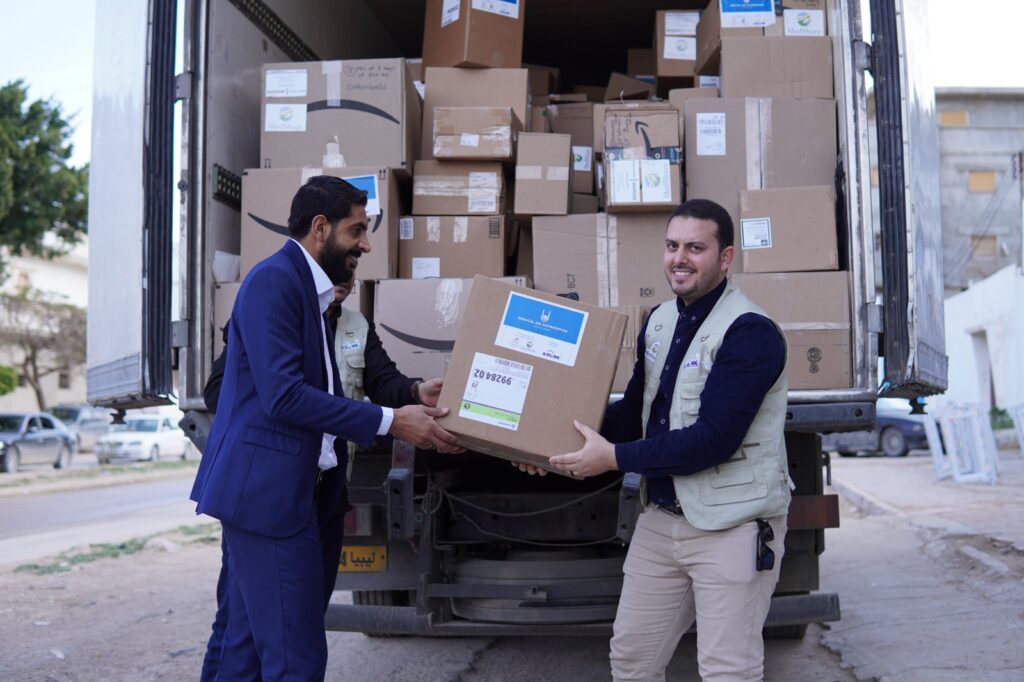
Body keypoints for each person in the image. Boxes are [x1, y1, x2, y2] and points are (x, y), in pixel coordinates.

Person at [190, 175, 461, 681]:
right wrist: (392, 422)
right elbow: (284, 395)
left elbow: (363, 379)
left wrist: (409, 395)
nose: (366, 242)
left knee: (245, 649)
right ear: (321, 227)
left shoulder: (318, 299)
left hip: (305, 495)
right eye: (356, 230)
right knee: (296, 660)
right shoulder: (275, 282)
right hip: (270, 501)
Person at [522, 199, 791, 681]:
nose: (679, 258)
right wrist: (549, 444)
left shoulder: (750, 332)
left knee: (727, 670)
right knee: (632, 661)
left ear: (725, 258)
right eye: (671, 246)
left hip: (732, 524)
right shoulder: (661, 320)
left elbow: (713, 440)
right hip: (662, 520)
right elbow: (633, 414)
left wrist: (612, 459)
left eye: (695, 247)